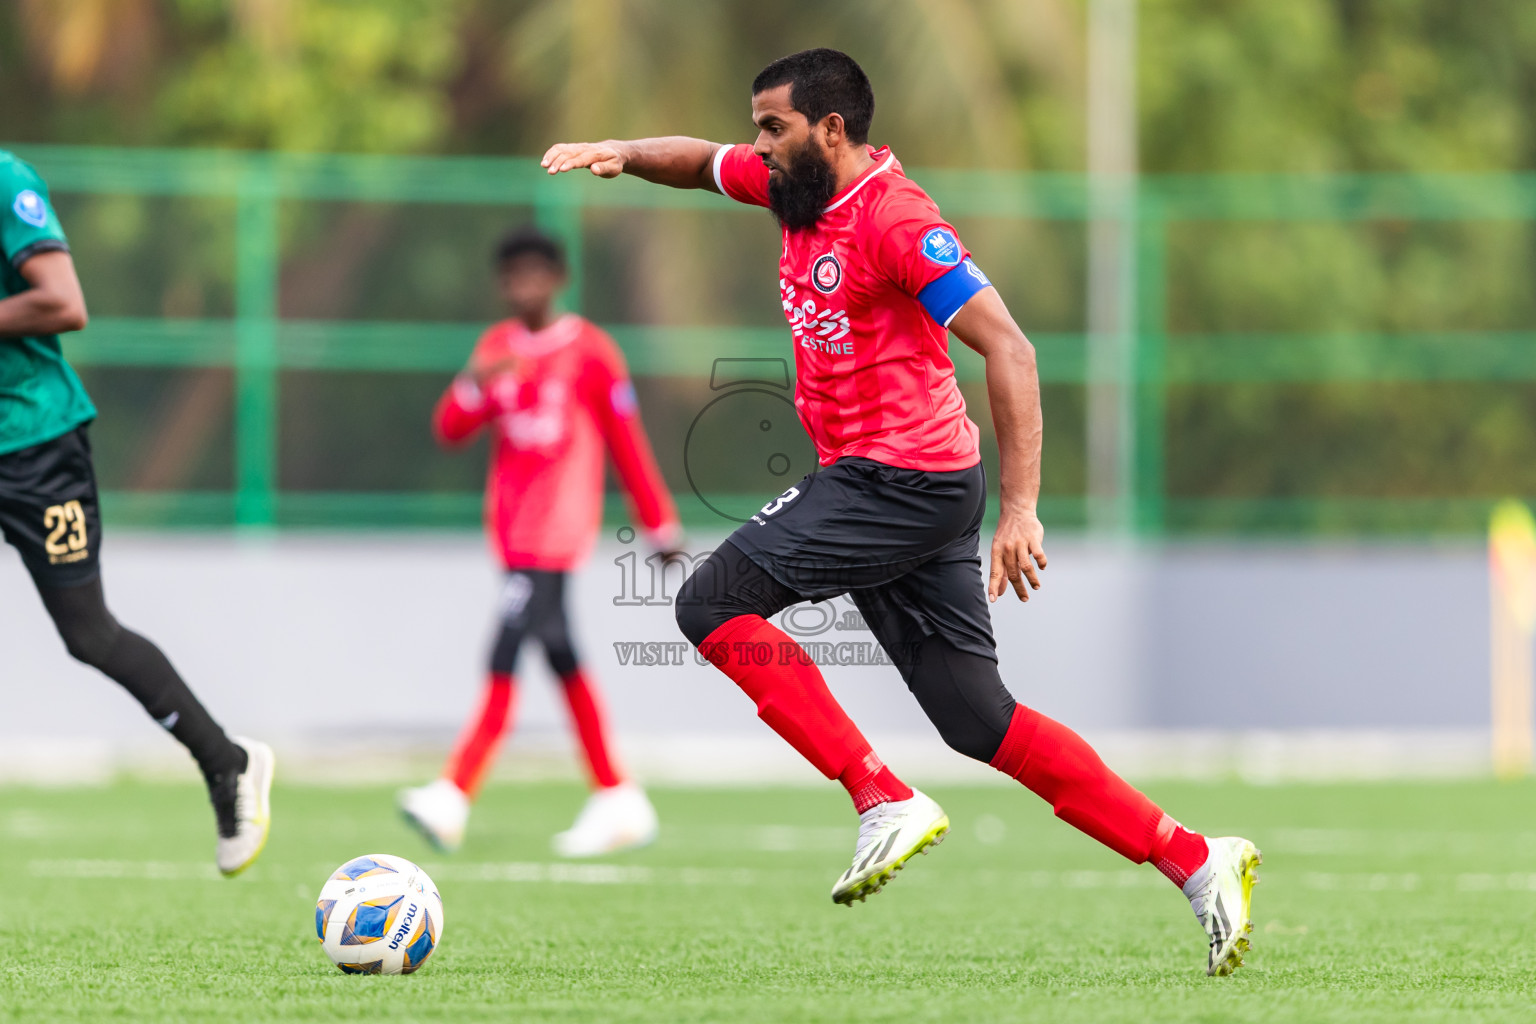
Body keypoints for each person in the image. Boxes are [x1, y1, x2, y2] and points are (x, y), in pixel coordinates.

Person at [541, 49, 1261, 975]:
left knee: (708, 603)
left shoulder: (896, 219)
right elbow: (698, 160)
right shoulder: (791, 188)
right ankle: (1199, 861)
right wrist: (623, 150)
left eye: (775, 128)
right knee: (979, 722)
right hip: (893, 482)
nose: (757, 147)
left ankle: (881, 794)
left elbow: (1011, 350)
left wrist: (1024, 509)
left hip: (902, 480)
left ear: (831, 131)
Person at [0, 150, 272, 875]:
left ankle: (227, 762)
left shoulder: (6, 180)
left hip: (32, 444)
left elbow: (64, 303)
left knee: (88, 633)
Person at [398, 227, 681, 858]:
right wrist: (474, 380)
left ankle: (454, 793)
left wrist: (659, 521)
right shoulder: (495, 348)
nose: (524, 285)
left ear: (558, 280)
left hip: (557, 530)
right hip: (511, 531)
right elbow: (450, 430)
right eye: (512, 275)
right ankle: (618, 795)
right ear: (502, 285)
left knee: (503, 652)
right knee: (559, 654)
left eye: (536, 273)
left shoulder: (591, 352)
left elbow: (626, 442)